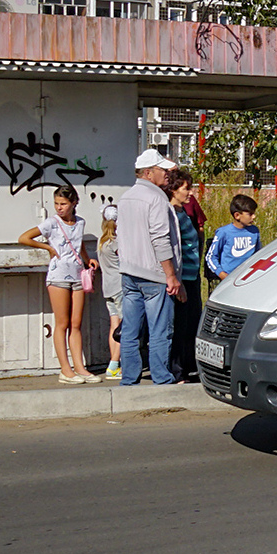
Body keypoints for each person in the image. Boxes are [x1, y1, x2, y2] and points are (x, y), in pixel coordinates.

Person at [18, 186, 101, 384]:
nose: (59, 207)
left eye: (63, 203)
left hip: (77, 273)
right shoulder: (51, 223)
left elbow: (78, 243)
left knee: (76, 323)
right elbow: (24, 238)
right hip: (58, 275)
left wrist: (87, 259)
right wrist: (47, 247)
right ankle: (65, 369)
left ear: (74, 203)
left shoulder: (80, 222)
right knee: (62, 323)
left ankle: (79, 367)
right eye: (56, 203)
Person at [116, 148, 183, 385]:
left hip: (129, 273)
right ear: (148, 172)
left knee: (131, 332)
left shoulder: (126, 198)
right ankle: (161, 378)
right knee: (160, 331)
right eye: (162, 170)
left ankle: (129, 378)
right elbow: (160, 239)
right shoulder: (156, 198)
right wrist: (171, 275)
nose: (167, 174)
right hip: (154, 276)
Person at [165, 167, 205, 384]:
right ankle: (177, 370)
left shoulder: (183, 211)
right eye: (186, 189)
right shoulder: (171, 212)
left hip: (192, 275)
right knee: (180, 326)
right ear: (174, 190)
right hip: (182, 278)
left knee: (191, 323)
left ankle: (189, 366)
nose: (190, 193)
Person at [207, 195, 262, 282]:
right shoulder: (223, 232)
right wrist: (222, 274)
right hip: (229, 280)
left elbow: (258, 253)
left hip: (249, 279)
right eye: (250, 214)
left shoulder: (255, 231)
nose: (254, 217)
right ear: (237, 215)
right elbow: (211, 257)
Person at [98, 201, 124, 381]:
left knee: (114, 326)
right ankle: (115, 364)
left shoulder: (102, 243)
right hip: (120, 287)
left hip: (107, 287)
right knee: (125, 327)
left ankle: (112, 364)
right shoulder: (116, 243)